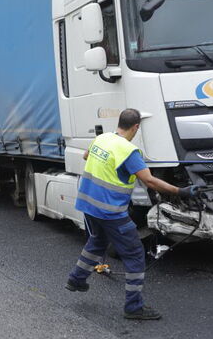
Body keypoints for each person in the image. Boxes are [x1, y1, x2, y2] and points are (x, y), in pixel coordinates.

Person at [65, 108, 199, 320]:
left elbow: (86, 155)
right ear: (136, 127)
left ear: (120, 123)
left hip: (89, 204)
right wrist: (180, 191)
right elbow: (150, 181)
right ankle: (133, 307)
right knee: (135, 254)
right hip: (110, 211)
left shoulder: (102, 138)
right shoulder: (129, 151)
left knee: (97, 241)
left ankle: (76, 279)